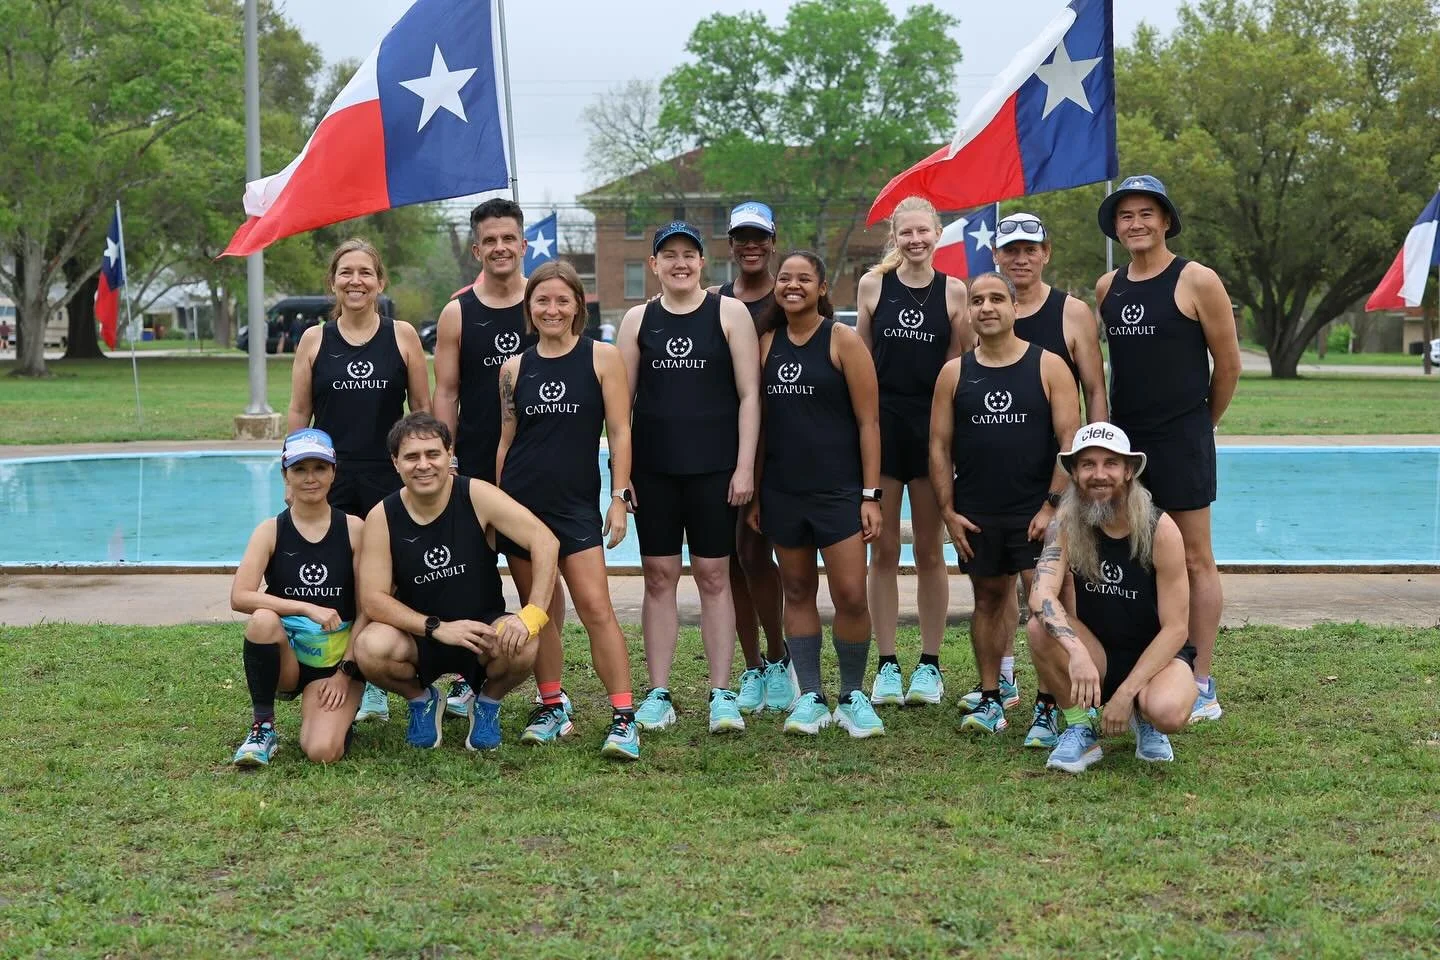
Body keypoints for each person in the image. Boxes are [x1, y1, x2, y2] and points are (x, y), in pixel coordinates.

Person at [1095, 176, 1241, 723]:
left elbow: (1227, 366)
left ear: (1166, 221)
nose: (1135, 223)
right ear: (1116, 226)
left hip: (1181, 440)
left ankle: (1201, 679)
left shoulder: (1196, 279)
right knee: (1135, 557)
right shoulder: (1109, 287)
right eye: (1125, 215)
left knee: (1196, 558)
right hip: (1126, 448)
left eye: (1146, 213)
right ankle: (1147, 667)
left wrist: (1203, 424)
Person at [617, 221, 760, 734]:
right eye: (669, 255)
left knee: (714, 576)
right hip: (654, 473)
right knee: (658, 577)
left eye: (689, 255)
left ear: (703, 262)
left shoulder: (729, 313)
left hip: (714, 471)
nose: (680, 263)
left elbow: (749, 396)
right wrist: (623, 473)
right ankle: (658, 692)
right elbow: (622, 406)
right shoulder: (638, 319)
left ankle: (721, 691)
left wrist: (744, 465)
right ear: (653, 264)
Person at [494, 261, 640, 761]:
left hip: (576, 506)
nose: (551, 309)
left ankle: (624, 717)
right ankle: (552, 705)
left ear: (578, 304)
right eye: (542, 301)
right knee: (542, 612)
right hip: (521, 506)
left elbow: (619, 431)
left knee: (596, 608)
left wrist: (618, 499)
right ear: (529, 309)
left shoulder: (602, 358)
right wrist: (496, 508)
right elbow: (506, 439)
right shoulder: (513, 368)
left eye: (562, 300)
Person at [351, 413, 560, 751]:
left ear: (449, 455)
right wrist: (436, 627)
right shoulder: (382, 516)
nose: (423, 465)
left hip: (482, 631)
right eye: (411, 456)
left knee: (524, 642)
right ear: (395, 462)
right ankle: (422, 701)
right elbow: (373, 599)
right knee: (368, 647)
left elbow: (545, 541)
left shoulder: (476, 495)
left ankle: (487, 704)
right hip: (419, 635)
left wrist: (532, 614)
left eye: (433, 454)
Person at [287, 238, 431, 723]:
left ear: (380, 281)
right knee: (346, 577)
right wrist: (294, 475)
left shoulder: (403, 335)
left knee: (390, 577)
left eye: (365, 273)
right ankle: (358, 676)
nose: (356, 281)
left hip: (389, 477)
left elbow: (421, 416)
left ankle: (388, 666)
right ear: (333, 281)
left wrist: (427, 473)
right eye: (346, 272)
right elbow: (298, 413)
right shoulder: (314, 339)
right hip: (332, 476)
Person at [929, 272, 1079, 741]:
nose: (987, 307)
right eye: (977, 301)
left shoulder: (1048, 365)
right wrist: (948, 511)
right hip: (978, 513)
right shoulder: (954, 372)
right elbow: (938, 445)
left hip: (1037, 513)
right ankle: (992, 697)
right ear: (969, 312)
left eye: (997, 299)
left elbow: (1068, 442)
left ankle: (1049, 704)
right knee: (989, 601)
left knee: (1045, 606)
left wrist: (1052, 506)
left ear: (1014, 308)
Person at [431, 199, 562, 719]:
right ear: (476, 247)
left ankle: (550, 689)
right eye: (490, 240)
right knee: (471, 575)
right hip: (477, 465)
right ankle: (471, 675)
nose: (501, 248)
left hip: (538, 464)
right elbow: (445, 392)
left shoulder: (549, 301)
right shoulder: (457, 311)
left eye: (510, 238)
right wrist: (448, 457)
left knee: (538, 576)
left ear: (523, 243)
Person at [748, 251, 884, 736]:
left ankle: (851, 695)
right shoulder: (765, 343)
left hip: (839, 492)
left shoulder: (842, 340)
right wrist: (759, 491)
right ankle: (810, 696)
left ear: (822, 288)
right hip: (783, 491)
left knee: (850, 593)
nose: (792, 285)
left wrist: (871, 494)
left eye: (804, 279)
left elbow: (869, 422)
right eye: (784, 278)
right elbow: (759, 427)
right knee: (798, 590)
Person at [1026, 422, 1197, 773]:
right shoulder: (1065, 523)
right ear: (1074, 473)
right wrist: (1076, 652)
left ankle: (1144, 718)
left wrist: (1124, 696)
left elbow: (1177, 628)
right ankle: (1079, 726)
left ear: (1129, 471)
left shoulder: (1160, 529)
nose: (1099, 474)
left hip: (1157, 656)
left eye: (1110, 463)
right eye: (1088, 464)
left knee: (1167, 712)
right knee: (1038, 628)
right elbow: (1040, 592)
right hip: (1098, 651)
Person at [856, 196, 972, 708]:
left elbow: (956, 374)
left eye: (924, 231)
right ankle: (886, 664)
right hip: (882, 435)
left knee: (929, 550)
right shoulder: (872, 285)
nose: (916, 240)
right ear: (895, 237)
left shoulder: (955, 292)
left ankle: (929, 664)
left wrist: (947, 443)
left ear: (937, 233)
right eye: (906, 233)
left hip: (931, 437)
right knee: (881, 551)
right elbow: (859, 367)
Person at [229, 429, 367, 766]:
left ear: (333, 472)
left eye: (319, 468)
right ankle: (263, 726)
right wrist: (305, 607)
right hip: (289, 659)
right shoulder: (270, 530)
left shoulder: (354, 529)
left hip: (336, 666)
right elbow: (240, 596)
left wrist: (345, 672)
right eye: (299, 469)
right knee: (262, 619)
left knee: (322, 752)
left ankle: (338, 712)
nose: (310, 478)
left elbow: (369, 608)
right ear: (285, 474)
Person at [706, 201, 794, 716]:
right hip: (729, 446)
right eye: (742, 237)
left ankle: (780, 657)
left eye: (759, 236)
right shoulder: (715, 301)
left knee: (759, 553)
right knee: (731, 558)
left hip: (779, 447)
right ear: (731, 243)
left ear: (773, 239)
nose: (751, 245)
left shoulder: (789, 298)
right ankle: (753, 664)